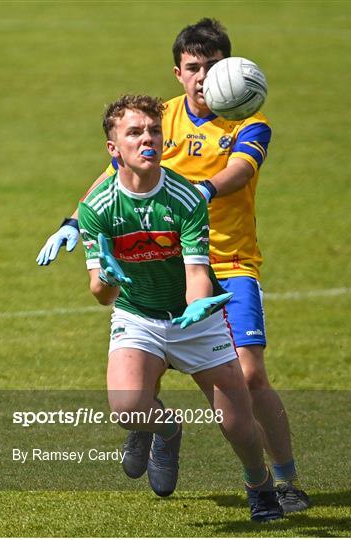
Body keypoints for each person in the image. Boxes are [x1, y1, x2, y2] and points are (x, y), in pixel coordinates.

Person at [37, 19, 309, 513]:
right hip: (161, 257)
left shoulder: (249, 117)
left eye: (211, 67)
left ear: (228, 67)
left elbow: (241, 168)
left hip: (228, 259)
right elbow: (112, 173)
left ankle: (284, 480)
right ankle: (149, 429)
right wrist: (74, 222)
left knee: (249, 376)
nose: (202, 77)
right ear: (178, 72)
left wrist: (198, 192)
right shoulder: (159, 116)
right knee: (144, 373)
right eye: (192, 68)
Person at [79, 94, 283, 523]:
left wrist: (195, 308)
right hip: (138, 317)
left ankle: (260, 486)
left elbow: (196, 274)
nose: (147, 138)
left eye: (154, 130)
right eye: (134, 132)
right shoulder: (95, 209)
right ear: (113, 148)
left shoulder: (185, 199)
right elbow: (100, 293)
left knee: (237, 425)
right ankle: (166, 430)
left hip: (194, 323)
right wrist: (110, 278)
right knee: (126, 406)